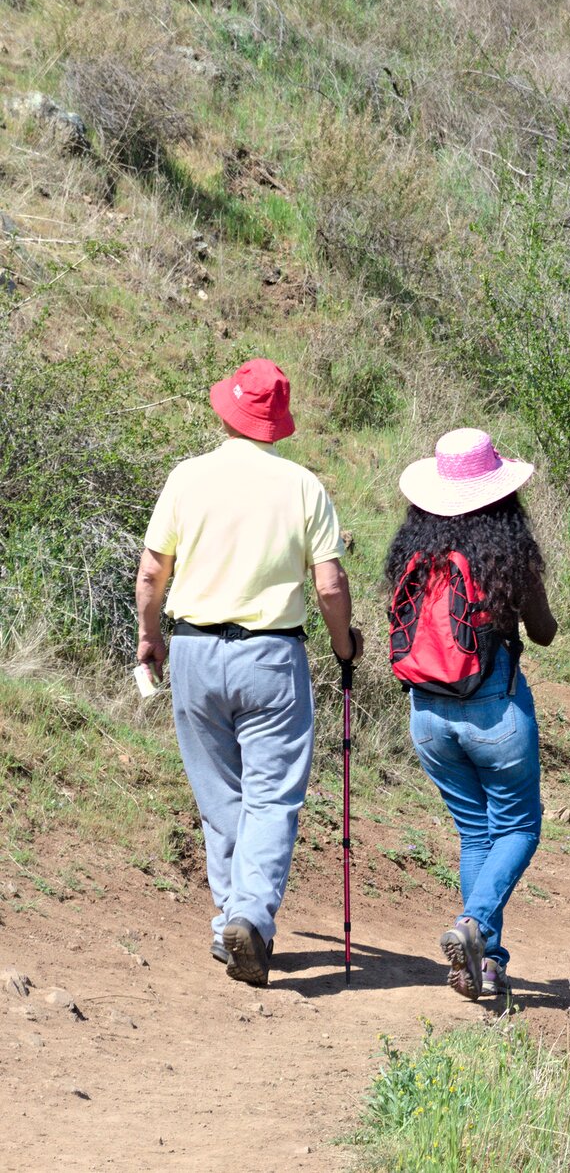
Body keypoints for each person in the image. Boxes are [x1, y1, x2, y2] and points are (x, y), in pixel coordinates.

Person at [134, 358, 363, 987]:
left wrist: (150, 638)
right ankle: (251, 921)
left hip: (193, 652)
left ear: (226, 411)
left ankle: (228, 923)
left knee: (220, 796)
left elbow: (153, 573)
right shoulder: (303, 487)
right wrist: (344, 647)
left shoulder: (188, 478)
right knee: (271, 796)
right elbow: (330, 584)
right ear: (276, 422)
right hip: (271, 657)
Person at [385, 428, 557, 1001]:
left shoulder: (415, 551)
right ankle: (474, 926)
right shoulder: (506, 554)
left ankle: (486, 964)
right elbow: (545, 632)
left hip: (427, 714)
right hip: (494, 714)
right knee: (520, 826)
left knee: (475, 833)